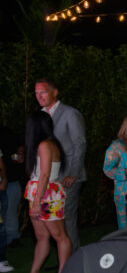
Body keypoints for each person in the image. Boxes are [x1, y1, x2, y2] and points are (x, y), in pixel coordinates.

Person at [22, 112, 72, 273]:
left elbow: (44, 174)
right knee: (42, 237)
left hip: (47, 195)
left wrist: (36, 203)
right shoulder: (45, 145)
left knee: (60, 236)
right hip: (39, 192)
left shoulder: (45, 145)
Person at [34, 78, 86, 251]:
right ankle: (63, 261)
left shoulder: (70, 113)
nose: (39, 96)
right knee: (55, 222)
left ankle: (74, 262)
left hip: (68, 178)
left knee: (66, 219)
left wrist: (74, 173)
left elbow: (79, 144)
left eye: (43, 92)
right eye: (36, 93)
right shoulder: (40, 115)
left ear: (55, 92)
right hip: (50, 179)